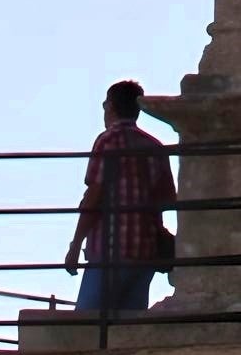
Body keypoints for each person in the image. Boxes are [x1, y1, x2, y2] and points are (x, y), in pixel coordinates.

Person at [64, 80, 175, 317]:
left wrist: (75, 245)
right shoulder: (155, 146)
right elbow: (168, 198)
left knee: (87, 326)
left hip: (109, 249)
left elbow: (94, 196)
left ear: (111, 106)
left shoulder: (107, 141)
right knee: (127, 329)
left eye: (105, 104)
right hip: (145, 251)